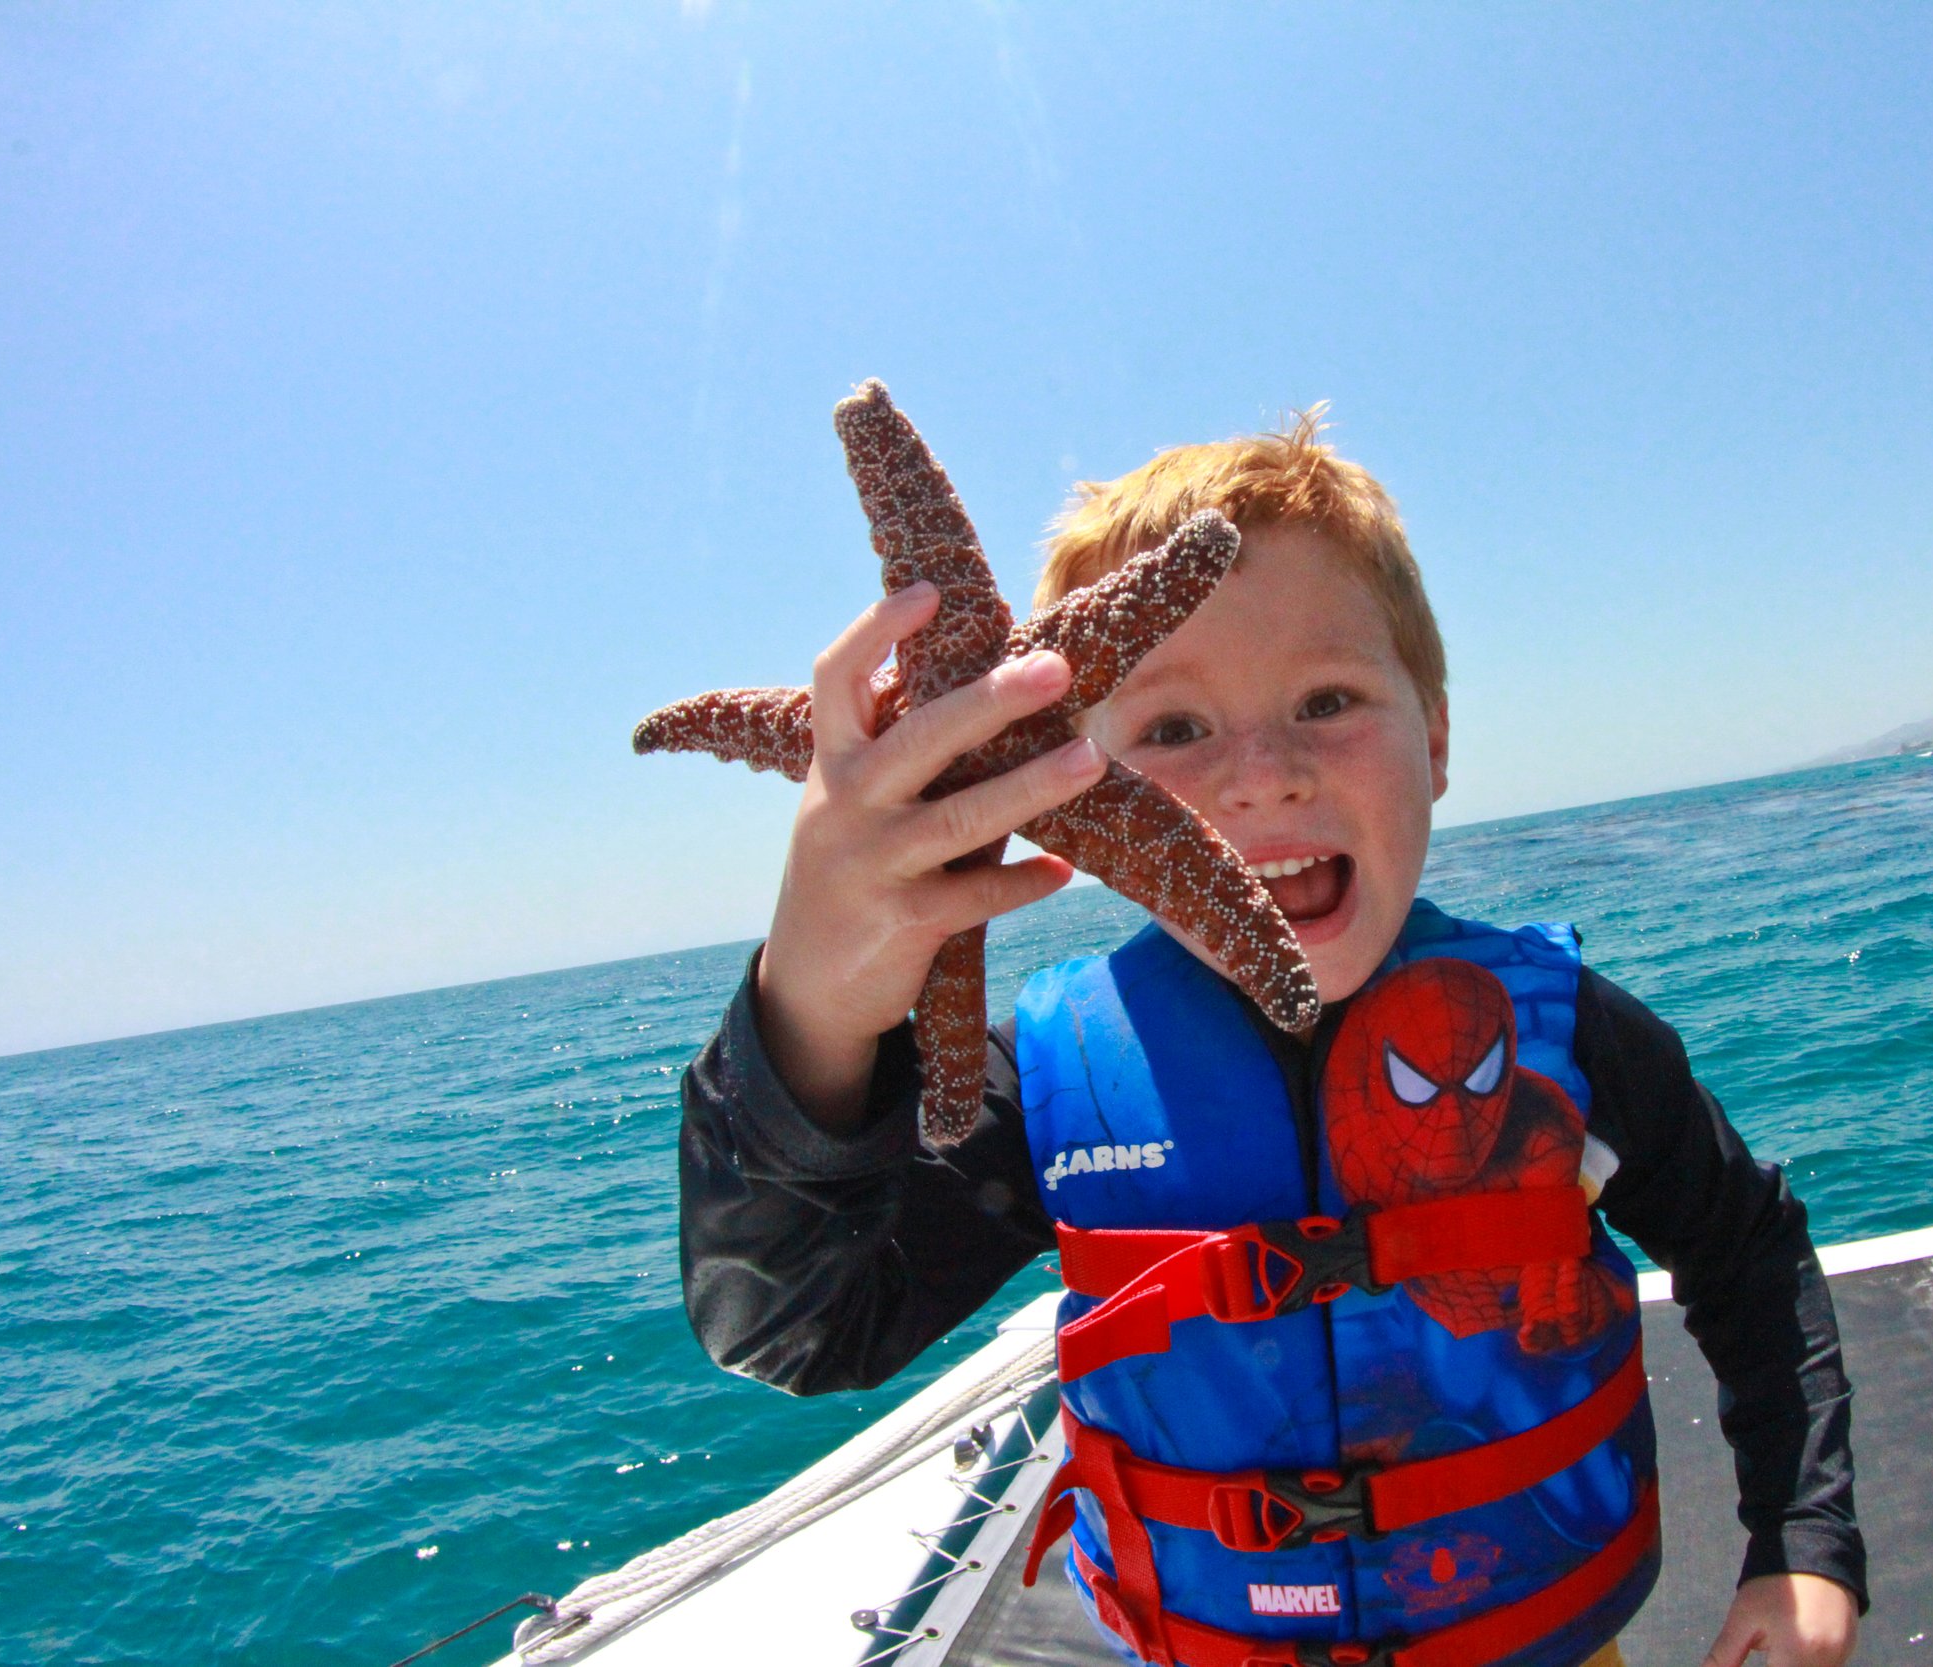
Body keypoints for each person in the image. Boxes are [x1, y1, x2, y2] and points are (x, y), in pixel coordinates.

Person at [677, 414, 1865, 1667]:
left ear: (1438, 739)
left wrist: (1801, 1536)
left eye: (1326, 698)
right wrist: (807, 1005)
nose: (1262, 775)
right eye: (1174, 729)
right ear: (1065, 795)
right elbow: (795, 1326)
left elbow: (1748, 1251)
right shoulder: (1054, 1081)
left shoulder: (1566, 1035)